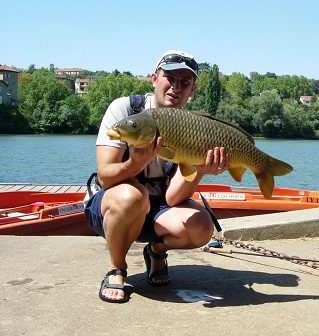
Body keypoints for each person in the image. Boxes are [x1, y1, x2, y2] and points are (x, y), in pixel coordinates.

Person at [84, 50, 229, 303]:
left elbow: (173, 199)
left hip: (158, 209)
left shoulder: (191, 125)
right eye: (170, 78)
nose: (176, 87)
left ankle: (157, 252)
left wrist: (201, 169)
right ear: (154, 78)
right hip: (113, 206)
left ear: (192, 90)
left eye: (185, 82)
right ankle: (116, 268)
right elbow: (105, 178)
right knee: (132, 196)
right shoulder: (126, 111)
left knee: (202, 227)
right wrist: (135, 162)